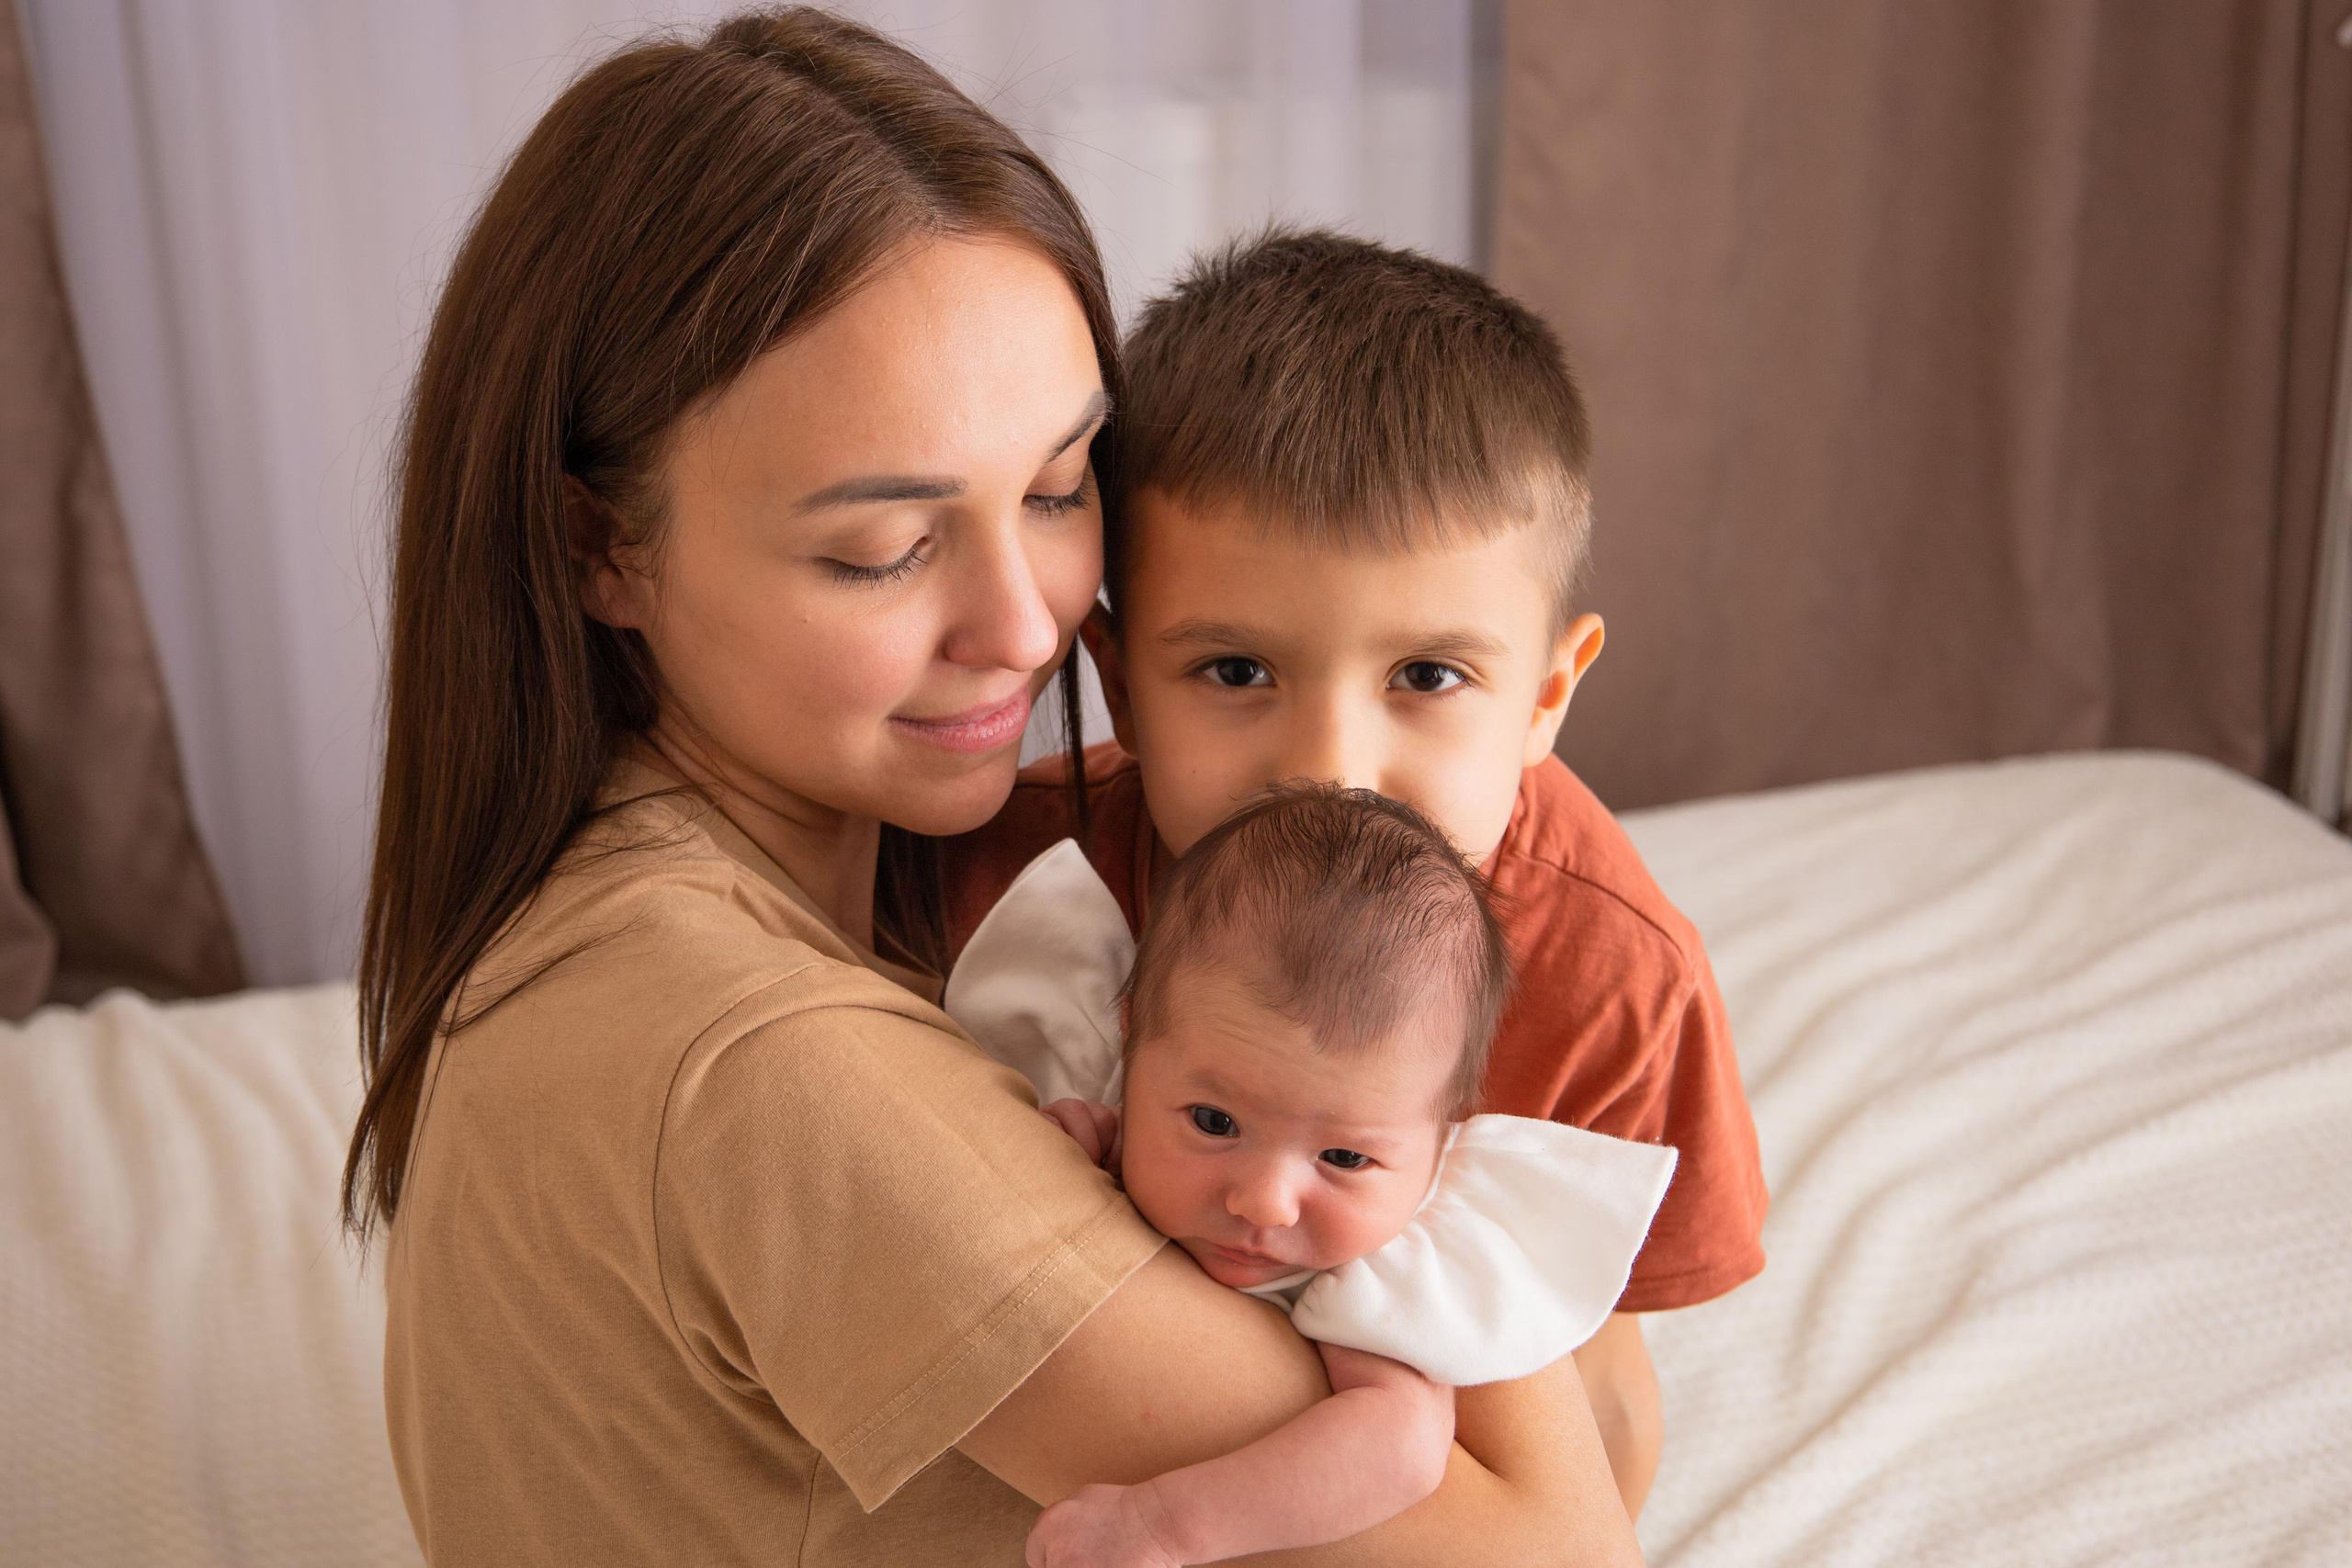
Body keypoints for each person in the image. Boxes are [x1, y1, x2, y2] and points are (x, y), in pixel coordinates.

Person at [345, 10, 1644, 1565]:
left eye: (1055, 488)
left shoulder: (630, 903)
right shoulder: (771, 1067)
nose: (1030, 629)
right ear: (601, 547)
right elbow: (1553, 1549)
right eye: (881, 547)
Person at [943, 229, 1772, 1521]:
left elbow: (1598, 1361)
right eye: (1235, 671)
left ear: (1548, 694)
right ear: (1116, 676)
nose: (1329, 767)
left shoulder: (1612, 973)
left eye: (1427, 677)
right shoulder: (1026, 865)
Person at [941, 784, 1677, 1567]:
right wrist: (1071, 1141)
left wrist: (1165, 1523)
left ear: (1438, 1138)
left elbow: (1399, 1449)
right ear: (1134, 1047)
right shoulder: (1123, 1110)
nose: (1264, 1199)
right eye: (1214, 1122)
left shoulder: (1391, 1271)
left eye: (1346, 1158)